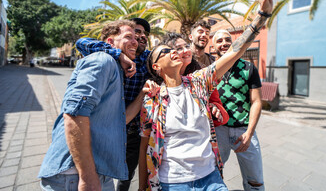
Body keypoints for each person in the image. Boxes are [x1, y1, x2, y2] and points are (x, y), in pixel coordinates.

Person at [139, 0, 275, 191]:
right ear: (156, 67)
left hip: (211, 177)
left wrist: (262, 15)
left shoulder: (198, 82)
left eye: (173, 49)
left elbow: (235, 51)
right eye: (164, 52)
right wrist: (142, 186)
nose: (173, 52)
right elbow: (144, 146)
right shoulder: (153, 98)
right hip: (173, 182)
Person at [38, 20, 145, 191]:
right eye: (128, 36)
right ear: (110, 42)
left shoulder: (116, 67)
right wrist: (87, 177)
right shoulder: (103, 61)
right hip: (73, 176)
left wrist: (143, 94)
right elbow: (74, 115)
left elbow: (119, 120)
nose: (135, 41)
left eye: (137, 37)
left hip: (94, 173)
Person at [76, 17, 151, 191]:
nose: (140, 37)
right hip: (103, 130)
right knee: (97, 172)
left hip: (131, 131)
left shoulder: (148, 60)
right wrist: (119, 55)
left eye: (143, 33)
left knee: (125, 176)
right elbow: (82, 43)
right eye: (135, 33)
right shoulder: (108, 57)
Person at [213, 29, 264, 191]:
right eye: (219, 41)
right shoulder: (210, 70)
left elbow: (256, 101)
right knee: (213, 174)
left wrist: (249, 133)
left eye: (227, 39)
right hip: (218, 131)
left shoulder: (248, 68)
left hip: (244, 131)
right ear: (213, 46)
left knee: (255, 179)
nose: (224, 43)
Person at [161, 32, 228, 127]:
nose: (186, 51)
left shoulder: (201, 77)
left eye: (187, 46)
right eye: (179, 48)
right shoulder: (160, 82)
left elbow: (222, 112)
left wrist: (214, 108)